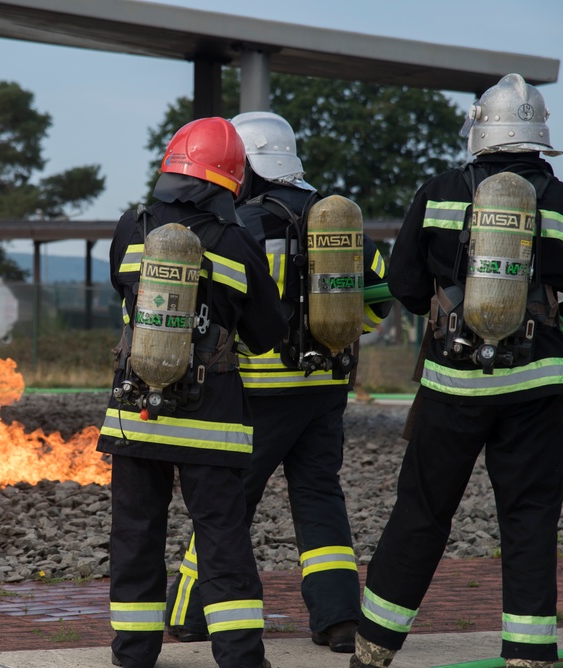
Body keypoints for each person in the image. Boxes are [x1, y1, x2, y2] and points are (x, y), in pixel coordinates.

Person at [351, 73, 563, 668]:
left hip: (452, 384)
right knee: (528, 518)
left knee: (421, 511)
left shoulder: (440, 192)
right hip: (535, 391)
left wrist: (449, 314)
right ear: (540, 138)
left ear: (480, 131)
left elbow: (403, 283)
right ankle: (528, 653)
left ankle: (373, 647)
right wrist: (543, 322)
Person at [163, 110, 392, 654]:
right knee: (319, 498)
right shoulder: (337, 222)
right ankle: (338, 619)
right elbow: (382, 295)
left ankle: (191, 613)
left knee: (226, 504)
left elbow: (216, 306)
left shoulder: (239, 225)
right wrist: (341, 331)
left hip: (254, 393)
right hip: (323, 391)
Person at [97, 116, 286, 668]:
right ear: (228, 181)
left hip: (135, 414)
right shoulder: (235, 243)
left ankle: (133, 652)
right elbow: (267, 333)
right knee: (222, 539)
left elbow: (122, 292)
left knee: (135, 535)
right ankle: (241, 656)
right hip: (212, 419)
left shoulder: (130, 229)